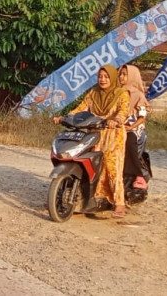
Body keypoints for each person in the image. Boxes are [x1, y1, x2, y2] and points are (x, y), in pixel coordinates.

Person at [54, 65, 130, 218]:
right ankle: (90, 199)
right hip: (95, 133)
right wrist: (65, 117)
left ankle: (119, 203)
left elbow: (124, 110)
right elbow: (81, 108)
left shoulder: (122, 94)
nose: (102, 79)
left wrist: (116, 120)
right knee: (92, 164)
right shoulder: (94, 92)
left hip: (113, 135)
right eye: (100, 76)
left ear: (112, 78)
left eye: (106, 77)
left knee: (111, 166)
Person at [120, 64, 149, 189]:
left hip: (134, 128)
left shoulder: (139, 95)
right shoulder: (116, 93)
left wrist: (130, 128)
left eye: (125, 74)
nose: (121, 77)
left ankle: (138, 175)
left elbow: (142, 116)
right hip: (118, 126)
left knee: (129, 140)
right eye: (120, 74)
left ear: (133, 76)